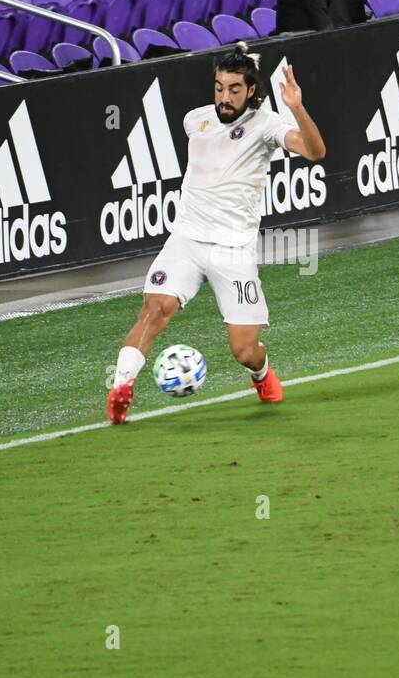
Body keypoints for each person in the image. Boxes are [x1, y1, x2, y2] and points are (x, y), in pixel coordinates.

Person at [107, 42, 326, 425]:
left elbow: (314, 152)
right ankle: (121, 388)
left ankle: (261, 375)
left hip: (233, 251)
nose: (225, 97)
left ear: (252, 90)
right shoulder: (197, 120)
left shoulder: (268, 126)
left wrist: (296, 108)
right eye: (220, 88)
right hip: (186, 241)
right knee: (155, 309)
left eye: (235, 89)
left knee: (244, 350)